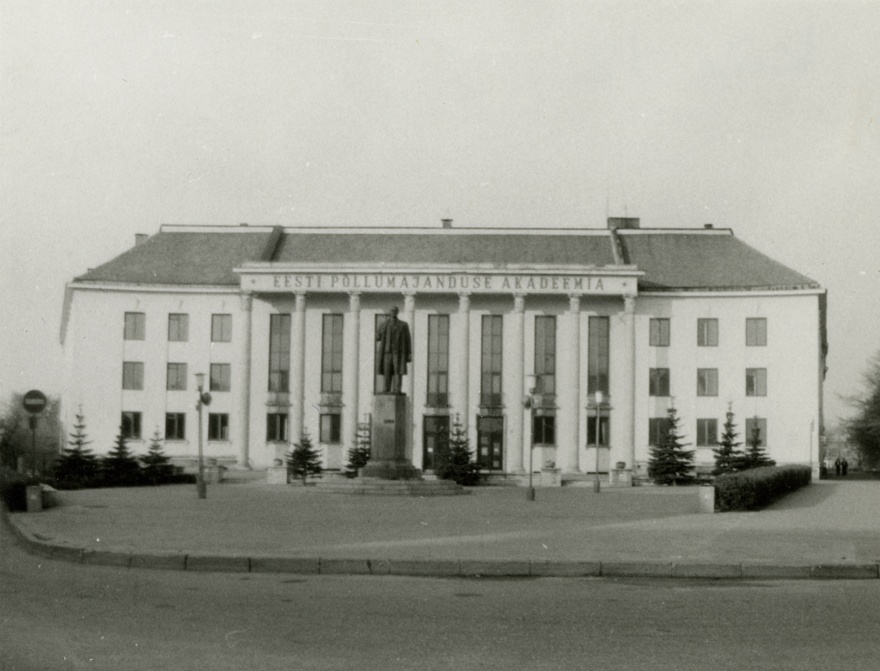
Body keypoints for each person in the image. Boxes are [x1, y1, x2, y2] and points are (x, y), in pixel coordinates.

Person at [376, 306, 412, 394]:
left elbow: (408, 340)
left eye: (395, 311)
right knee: (387, 370)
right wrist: (379, 333)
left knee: (397, 371)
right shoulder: (384, 324)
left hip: (398, 353)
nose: (393, 312)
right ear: (389, 312)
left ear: (397, 312)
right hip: (387, 352)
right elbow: (377, 337)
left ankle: (397, 389)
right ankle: (386, 389)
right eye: (391, 310)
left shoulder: (403, 325)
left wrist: (409, 353)